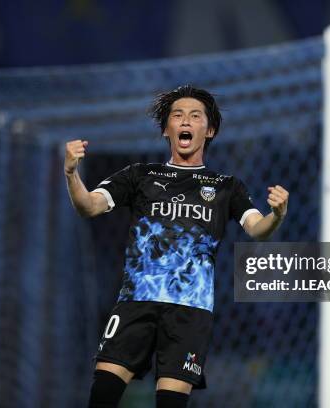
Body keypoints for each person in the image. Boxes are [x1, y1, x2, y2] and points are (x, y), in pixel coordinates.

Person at [64, 85, 288, 408]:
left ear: (208, 130)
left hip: (190, 311)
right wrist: (71, 173)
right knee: (102, 395)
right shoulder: (139, 175)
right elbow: (88, 206)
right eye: (177, 115)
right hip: (136, 303)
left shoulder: (226, 187)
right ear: (167, 129)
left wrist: (277, 215)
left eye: (195, 116)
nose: (185, 121)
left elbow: (257, 228)